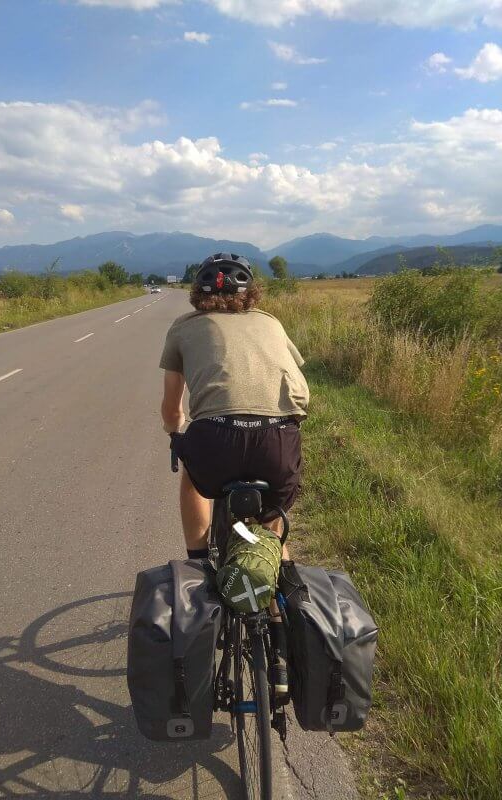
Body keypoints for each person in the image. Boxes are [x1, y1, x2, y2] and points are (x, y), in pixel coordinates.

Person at [159, 253, 310, 698]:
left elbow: (172, 409)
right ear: (250, 295)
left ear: (198, 296)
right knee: (272, 512)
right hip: (277, 442)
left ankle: (198, 560)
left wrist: (178, 434)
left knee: (193, 474)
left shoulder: (184, 328)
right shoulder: (272, 323)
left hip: (216, 442)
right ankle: (280, 611)